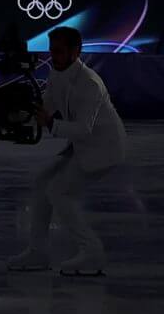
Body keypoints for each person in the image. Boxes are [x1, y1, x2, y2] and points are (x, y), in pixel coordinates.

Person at [8, 27, 127, 278]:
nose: (54, 56)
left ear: (76, 51)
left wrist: (50, 124)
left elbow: (83, 129)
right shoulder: (57, 74)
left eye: (60, 51)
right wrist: (20, 116)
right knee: (42, 183)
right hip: (82, 146)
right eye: (52, 51)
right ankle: (38, 251)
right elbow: (47, 105)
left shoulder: (89, 84)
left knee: (60, 192)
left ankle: (92, 252)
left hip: (103, 149)